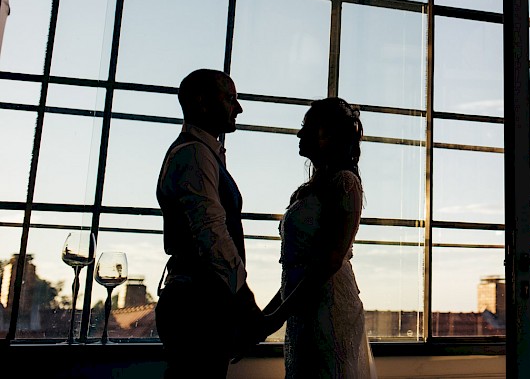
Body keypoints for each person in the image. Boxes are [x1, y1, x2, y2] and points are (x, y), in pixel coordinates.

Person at [154, 69, 266, 377]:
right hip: (197, 307)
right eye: (230, 99)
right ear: (202, 103)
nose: (239, 108)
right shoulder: (194, 155)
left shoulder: (204, 153)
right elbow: (211, 233)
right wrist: (245, 300)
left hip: (200, 302)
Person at [261, 97, 376, 379]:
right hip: (303, 308)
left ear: (330, 134)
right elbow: (297, 270)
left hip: (329, 307)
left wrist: (275, 317)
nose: (299, 133)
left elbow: (329, 261)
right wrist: (269, 316)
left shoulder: (345, 183)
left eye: (307, 126)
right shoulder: (307, 191)